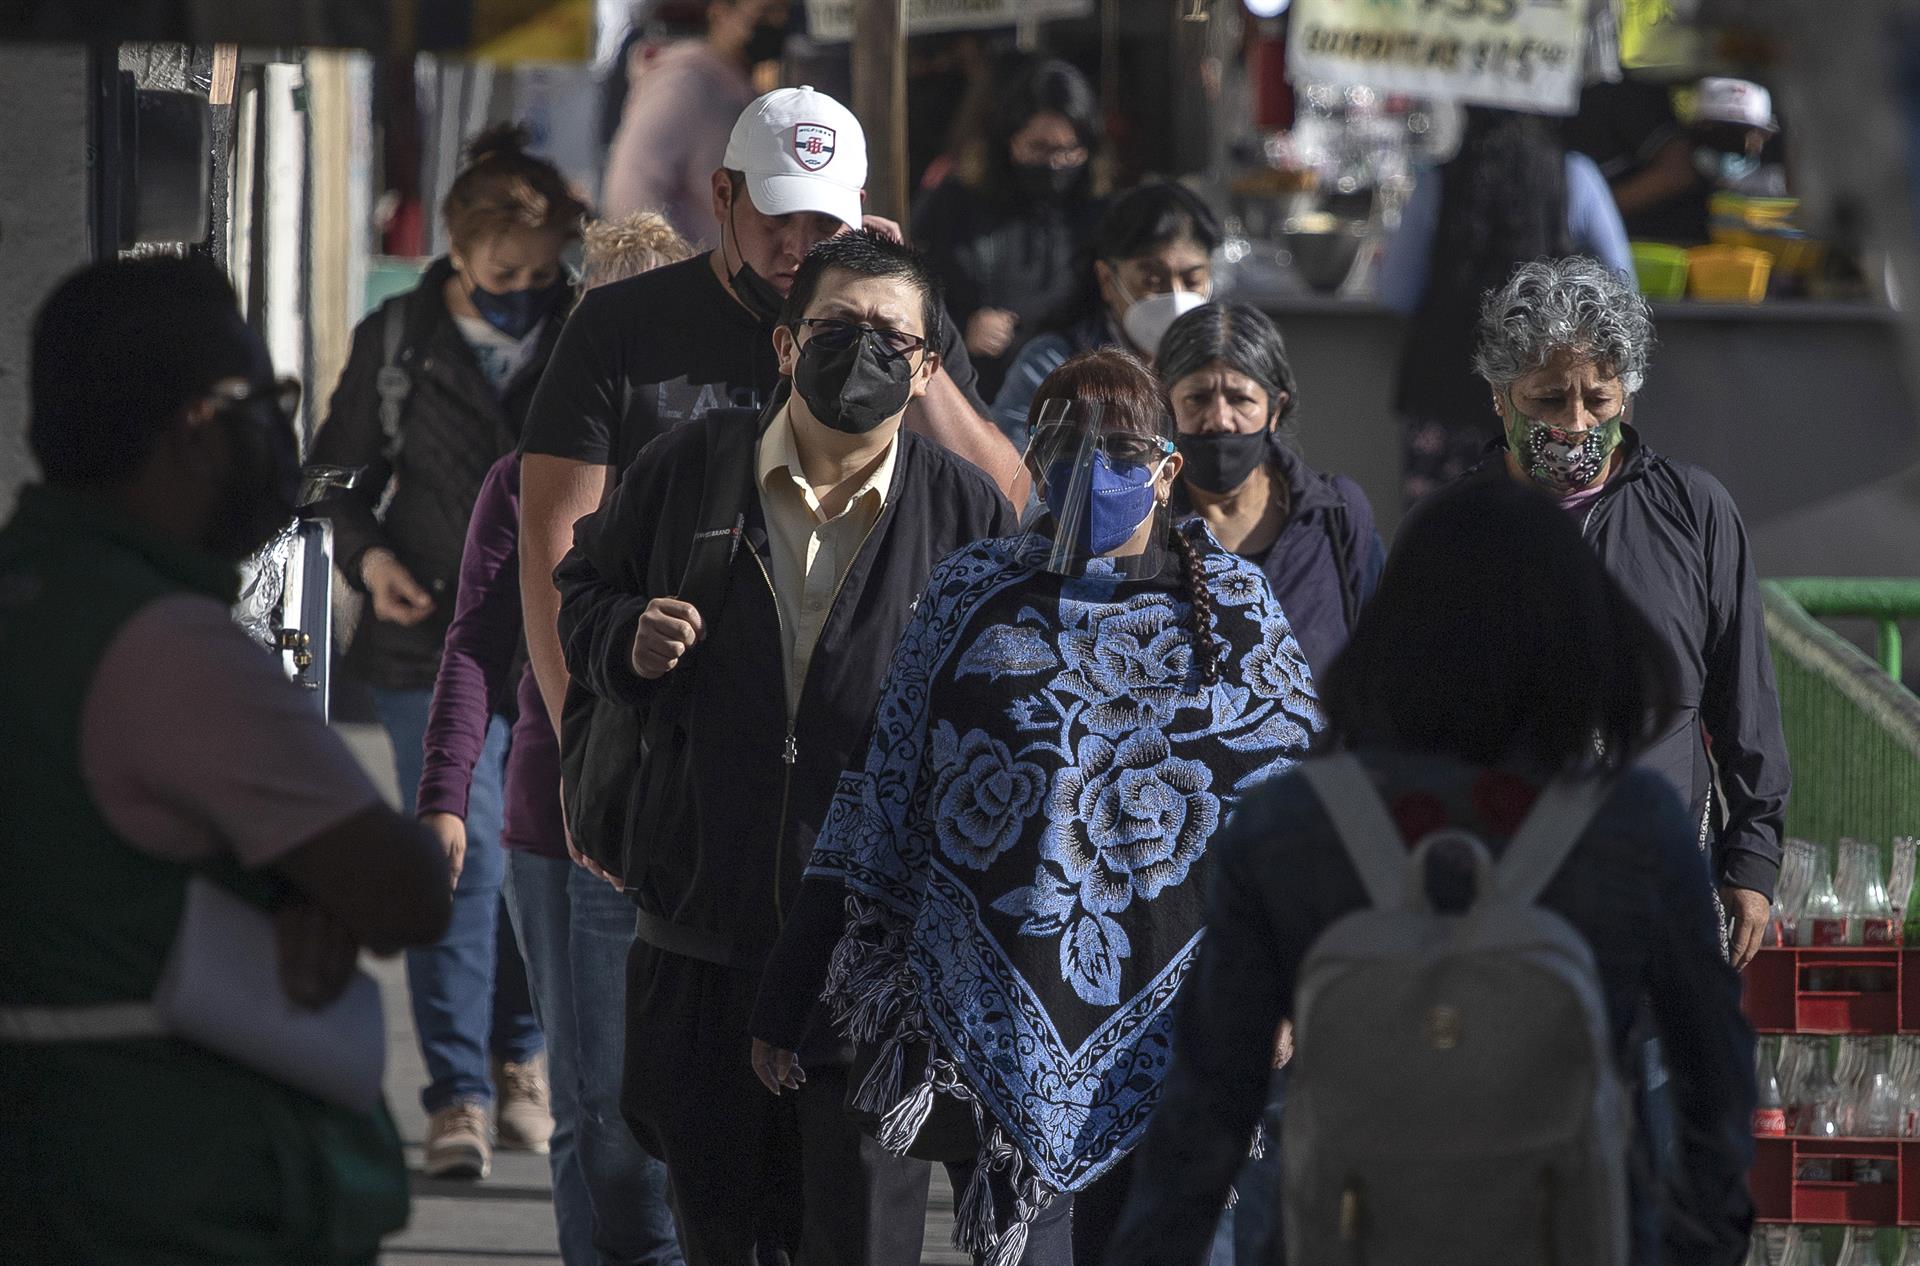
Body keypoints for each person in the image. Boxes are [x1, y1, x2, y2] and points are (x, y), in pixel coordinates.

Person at [752, 347, 1327, 1266]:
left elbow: (1302, 821)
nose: (1089, 471)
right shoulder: (971, 595)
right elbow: (880, 797)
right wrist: (787, 997)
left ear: (1167, 469)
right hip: (997, 1010)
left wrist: (1294, 987)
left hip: (1185, 1009)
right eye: (1062, 447)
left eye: (1119, 451)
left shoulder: (1238, 608)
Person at [1104, 477, 1758, 1266]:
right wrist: (1694, 1243)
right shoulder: (1633, 829)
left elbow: (1208, 1105)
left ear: (1395, 632)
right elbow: (1711, 1079)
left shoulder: (1296, 827)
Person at [556, 230, 1019, 1266]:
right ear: (781, 345)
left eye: (891, 337)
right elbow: (579, 595)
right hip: (700, 949)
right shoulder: (689, 467)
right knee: (721, 1239)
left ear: (930, 366)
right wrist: (625, 637)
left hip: (869, 975)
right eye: (835, 328)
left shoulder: (967, 512)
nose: (862, 353)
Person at [0, 256, 453, 1263]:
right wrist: (301, 879)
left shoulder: (32, 592)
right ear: (201, 426)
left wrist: (284, 877)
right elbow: (406, 889)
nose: (278, 434)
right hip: (168, 1190)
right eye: (267, 402)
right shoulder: (169, 645)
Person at [521, 84, 1025, 754]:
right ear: (723, 195)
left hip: (854, 749)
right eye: (778, 217)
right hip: (668, 738)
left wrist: (893, 307)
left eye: (825, 225)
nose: (798, 246)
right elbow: (553, 546)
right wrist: (581, 751)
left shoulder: (899, 331)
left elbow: (1004, 501)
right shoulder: (622, 326)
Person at [309, 122, 586, 1178]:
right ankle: (458, 1093)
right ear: (458, 257)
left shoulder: (588, 330)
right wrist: (369, 560)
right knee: (457, 853)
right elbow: (332, 480)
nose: (522, 287)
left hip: (555, 639)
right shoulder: (399, 341)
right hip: (425, 643)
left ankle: (523, 1060)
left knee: (536, 852)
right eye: (501, 272)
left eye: (541, 270)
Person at [416, 212, 693, 1266]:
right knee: (597, 1119)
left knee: (674, 1121)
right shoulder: (523, 478)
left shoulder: (743, 463)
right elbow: (476, 651)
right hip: (560, 825)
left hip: (714, 816)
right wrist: (447, 795)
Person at [1460, 256, 1788, 966]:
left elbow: (1743, 699)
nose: (1575, 425)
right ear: (1499, 395)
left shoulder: (1695, 509)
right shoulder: (1452, 531)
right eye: (1548, 400)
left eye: (1598, 400)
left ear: (1627, 396)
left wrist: (1752, 862)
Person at [1377, 106, 1635, 506]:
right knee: (1555, 544)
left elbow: (1396, 291)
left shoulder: (1438, 184)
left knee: (1444, 548)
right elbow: (1622, 291)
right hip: (1552, 407)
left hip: (1444, 400)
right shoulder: (1574, 177)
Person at [1158, 301, 1383, 678]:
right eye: (1197, 398)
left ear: (1275, 410)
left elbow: (1382, 659)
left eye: (1240, 399)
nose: (1220, 420)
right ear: (1165, 407)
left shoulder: (1334, 516)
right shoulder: (1144, 526)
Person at [911, 54, 1103, 401]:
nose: (1054, 165)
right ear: (1009, 139)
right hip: (977, 395)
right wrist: (959, 329)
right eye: (1039, 148)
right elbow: (914, 292)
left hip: (1068, 401)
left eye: (1068, 151)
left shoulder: (1096, 215)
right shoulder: (957, 204)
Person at [992, 178, 1221, 448]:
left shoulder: (1223, 364)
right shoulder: (1054, 366)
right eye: (1152, 281)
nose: (1174, 296)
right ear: (1107, 280)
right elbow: (1014, 470)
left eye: (1192, 281)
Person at [601, 0, 789, 243]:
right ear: (721, 13)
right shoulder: (684, 83)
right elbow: (631, 189)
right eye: (766, 12)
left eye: (784, 11)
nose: (778, 22)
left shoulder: (736, 83)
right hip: (686, 273)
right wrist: (660, 273)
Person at [1568, 76, 1785, 247]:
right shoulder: (1678, 179)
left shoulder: (1769, 186)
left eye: (1754, 133)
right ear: (1697, 130)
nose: (1747, 144)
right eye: (1727, 133)